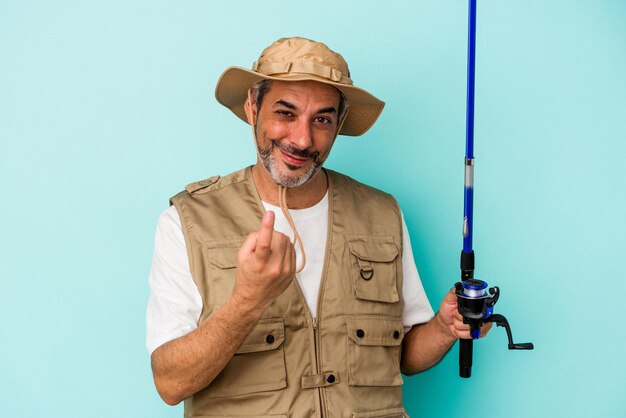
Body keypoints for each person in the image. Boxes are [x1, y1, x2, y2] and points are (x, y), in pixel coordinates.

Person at [146, 37, 491, 417]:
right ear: (252, 107)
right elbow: (171, 383)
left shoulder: (382, 213)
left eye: (322, 120)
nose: (302, 139)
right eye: (285, 113)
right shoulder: (189, 219)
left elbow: (403, 356)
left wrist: (444, 327)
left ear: (339, 123)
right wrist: (248, 301)